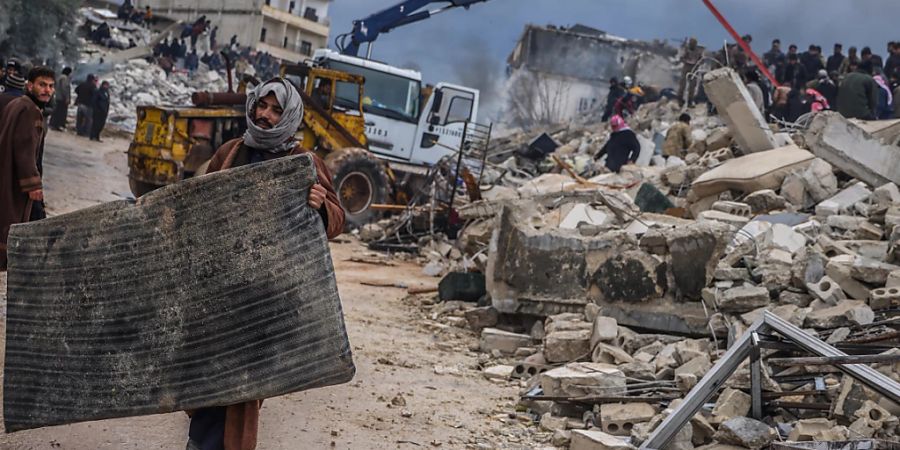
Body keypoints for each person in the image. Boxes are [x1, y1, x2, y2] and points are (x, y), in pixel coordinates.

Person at [185, 77, 344, 450]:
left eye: (276, 110)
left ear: (289, 115)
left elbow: (337, 221)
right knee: (206, 380)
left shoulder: (302, 162)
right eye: (262, 106)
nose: (266, 115)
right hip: (221, 289)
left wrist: (320, 206)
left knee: (242, 390)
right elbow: (200, 209)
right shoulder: (229, 152)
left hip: (265, 296)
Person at [0, 66, 55, 270]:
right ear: (30, 85)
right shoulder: (30, 111)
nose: (47, 90)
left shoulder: (21, 104)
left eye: (50, 86)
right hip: (15, 181)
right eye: (42, 85)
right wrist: (33, 184)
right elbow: (24, 149)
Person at [677, 37, 704, 106]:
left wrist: (699, 62)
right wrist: (686, 60)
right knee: (682, 84)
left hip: (694, 68)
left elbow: (702, 59)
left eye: (693, 43)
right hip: (686, 66)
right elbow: (681, 57)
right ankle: (680, 100)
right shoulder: (686, 49)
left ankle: (690, 101)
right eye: (691, 43)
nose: (692, 44)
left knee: (692, 85)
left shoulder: (698, 50)